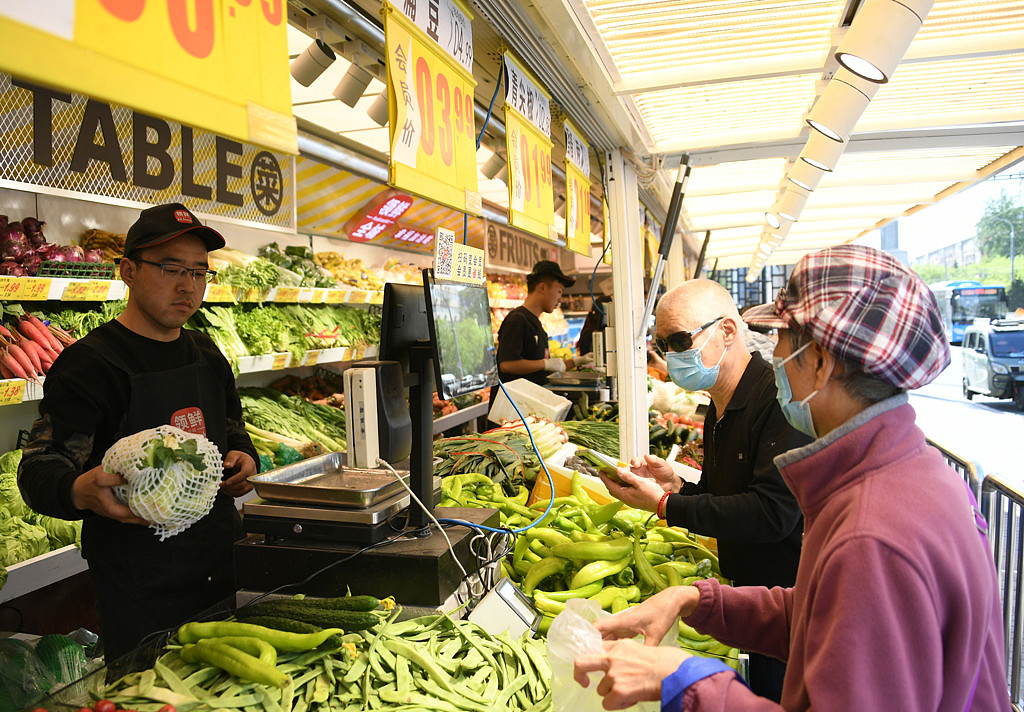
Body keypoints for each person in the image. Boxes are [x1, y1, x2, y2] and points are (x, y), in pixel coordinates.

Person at [575, 245, 1010, 711]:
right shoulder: (902, 474)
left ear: (820, 361)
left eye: (783, 338)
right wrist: (696, 601)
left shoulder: (873, 533)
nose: (772, 352)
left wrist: (684, 680)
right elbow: (821, 614)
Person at [18, 203, 258, 661]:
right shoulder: (91, 364)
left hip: (220, 568)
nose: (187, 285)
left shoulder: (207, 354)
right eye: (170, 268)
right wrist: (76, 490)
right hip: (139, 589)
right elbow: (38, 468)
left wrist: (245, 460)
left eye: (198, 272)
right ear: (128, 271)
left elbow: (233, 433)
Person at [599, 278, 810, 701]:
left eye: (678, 340)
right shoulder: (719, 404)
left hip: (783, 610)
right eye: (662, 345)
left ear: (728, 332)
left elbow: (771, 513)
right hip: (750, 602)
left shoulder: (776, 402)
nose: (671, 355)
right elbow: (724, 494)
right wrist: (677, 485)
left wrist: (665, 506)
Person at [493, 260, 590, 396]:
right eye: (559, 292)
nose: (560, 299)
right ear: (542, 287)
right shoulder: (518, 320)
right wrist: (546, 364)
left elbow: (539, 367)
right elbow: (507, 364)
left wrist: (577, 361)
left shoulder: (536, 324)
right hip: (512, 411)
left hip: (528, 406)